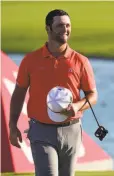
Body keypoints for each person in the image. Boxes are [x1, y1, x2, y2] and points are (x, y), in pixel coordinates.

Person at [9, 9, 98, 176]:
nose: (65, 29)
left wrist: (77, 106)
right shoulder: (30, 60)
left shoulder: (81, 61)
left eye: (68, 25)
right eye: (59, 26)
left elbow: (92, 96)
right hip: (41, 130)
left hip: (72, 130)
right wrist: (12, 125)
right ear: (48, 29)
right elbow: (19, 93)